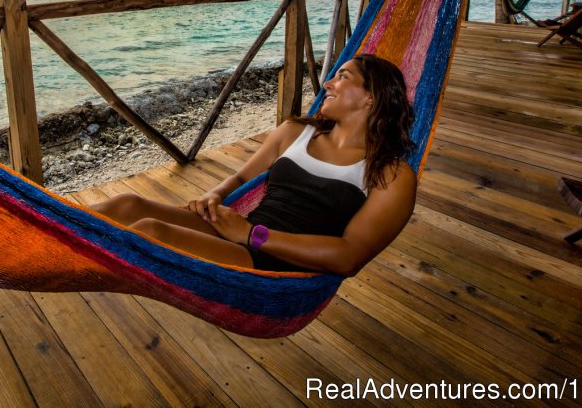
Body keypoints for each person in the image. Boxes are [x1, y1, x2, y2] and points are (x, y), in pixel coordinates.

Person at [91, 54, 417, 275]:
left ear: (370, 97)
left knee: (151, 233)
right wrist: (214, 196)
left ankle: (60, 263)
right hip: (238, 232)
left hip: (269, 263)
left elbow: (349, 256)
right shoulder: (295, 133)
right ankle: (49, 235)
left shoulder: (391, 174)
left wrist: (252, 234)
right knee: (127, 204)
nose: (328, 83)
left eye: (342, 77)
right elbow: (241, 177)